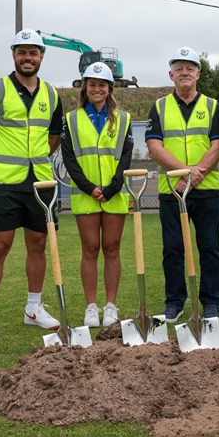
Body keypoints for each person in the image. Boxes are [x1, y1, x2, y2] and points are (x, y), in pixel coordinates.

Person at [0, 29, 64, 347]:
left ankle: (33, 309)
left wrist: (34, 162)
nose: (28, 57)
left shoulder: (51, 95)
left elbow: (53, 139)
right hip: (5, 184)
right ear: (13, 54)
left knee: (38, 246)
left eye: (34, 52)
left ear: (41, 57)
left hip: (40, 181)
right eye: (22, 51)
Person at [146, 47, 219, 321]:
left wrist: (195, 174)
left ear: (198, 74)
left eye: (190, 67)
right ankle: (174, 303)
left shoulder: (214, 106)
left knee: (210, 249)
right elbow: (154, 147)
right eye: (179, 68)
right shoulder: (159, 107)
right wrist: (184, 173)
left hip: (206, 189)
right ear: (171, 75)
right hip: (172, 191)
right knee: (172, 250)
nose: (184, 72)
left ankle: (211, 303)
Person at [61, 63, 134, 327]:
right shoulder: (71, 119)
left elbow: (126, 156)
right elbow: (69, 159)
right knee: (90, 249)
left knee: (112, 249)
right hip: (85, 195)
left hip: (115, 194)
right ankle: (91, 307)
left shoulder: (123, 119)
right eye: (92, 84)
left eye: (102, 84)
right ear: (85, 87)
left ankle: (111, 306)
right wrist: (88, 187)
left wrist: (113, 186)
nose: (97, 89)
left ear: (109, 88)